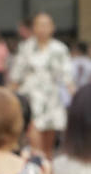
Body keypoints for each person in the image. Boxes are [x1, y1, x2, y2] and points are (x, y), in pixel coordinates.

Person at [9, 12, 73, 158]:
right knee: (35, 138)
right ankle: (37, 169)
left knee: (49, 147)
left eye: (46, 25)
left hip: (51, 99)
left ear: (52, 28)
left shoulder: (60, 49)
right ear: (33, 28)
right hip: (31, 97)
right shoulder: (25, 47)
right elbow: (16, 75)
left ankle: (47, 173)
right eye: (39, 24)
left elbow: (67, 77)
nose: (42, 28)